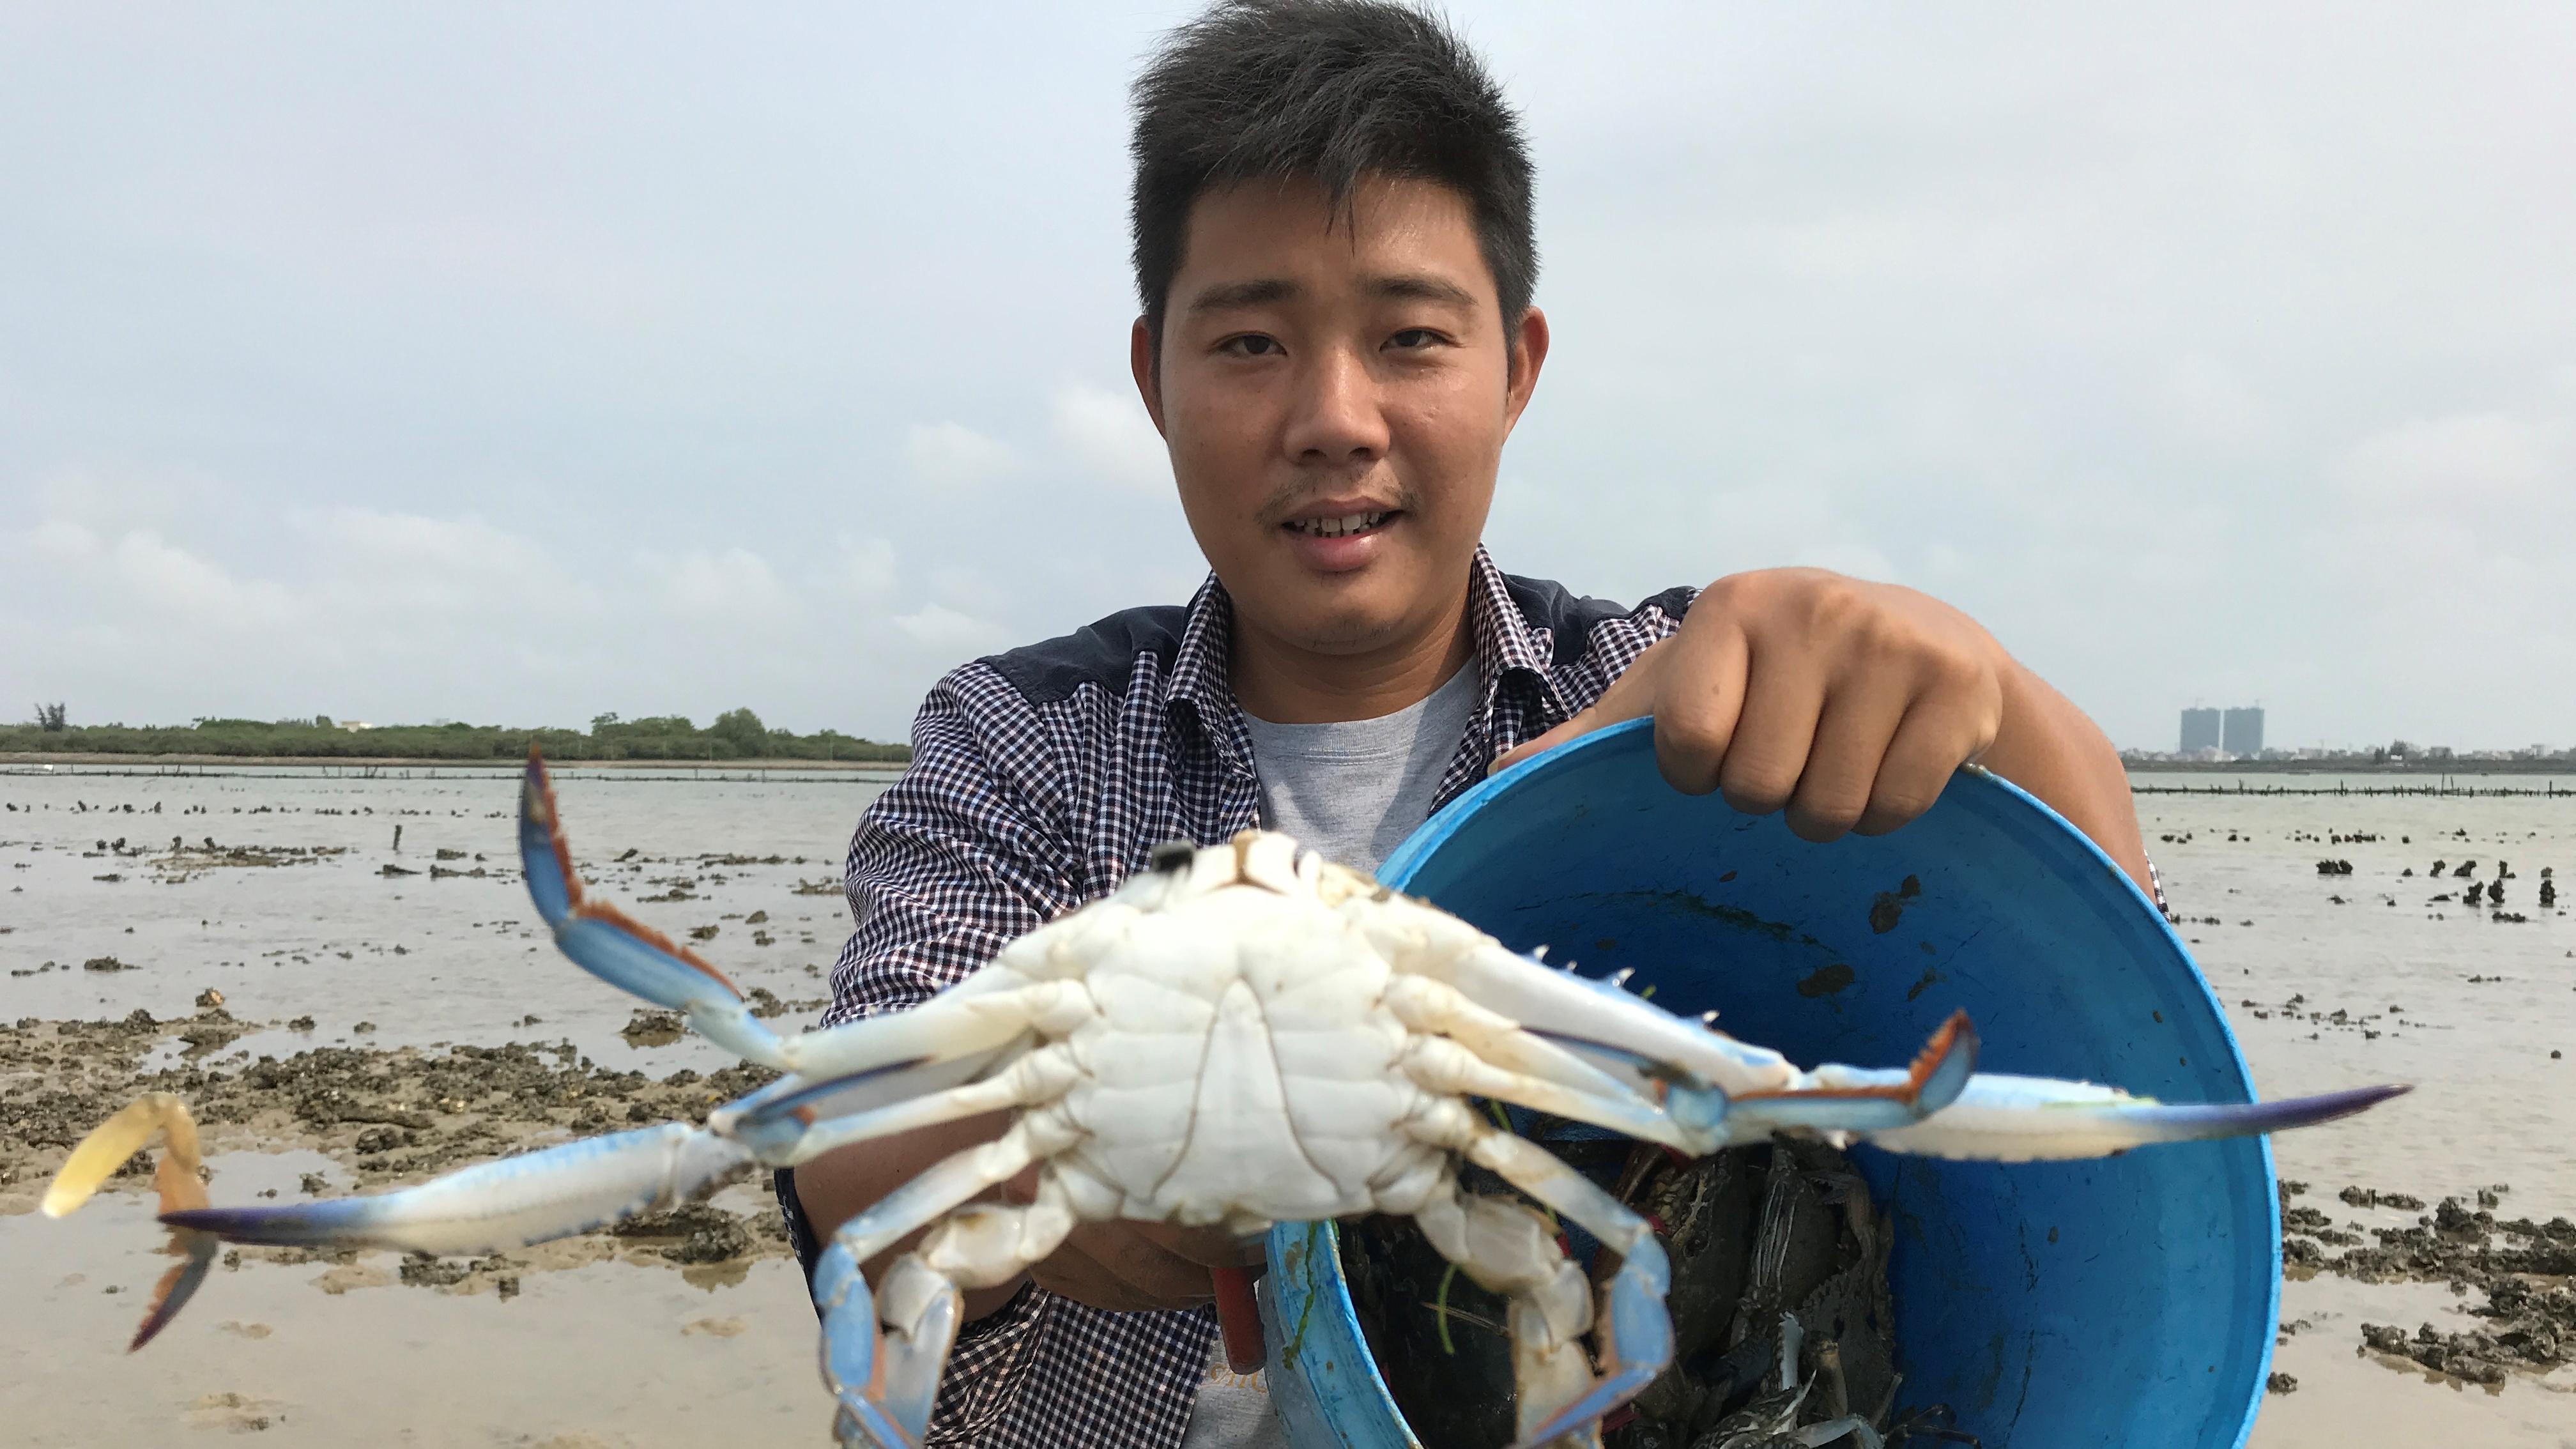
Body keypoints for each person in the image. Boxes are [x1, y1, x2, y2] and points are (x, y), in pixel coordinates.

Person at [781, 3, 2156, 1446]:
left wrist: (1978, 685)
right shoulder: (1033, 739)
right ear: (1153, 376)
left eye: (1410, 338)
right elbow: (847, 1146)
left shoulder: (1656, 701)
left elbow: (2104, 978)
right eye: (1251, 340)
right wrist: (1049, 1131)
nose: (1336, 416)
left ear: (1517, 365)